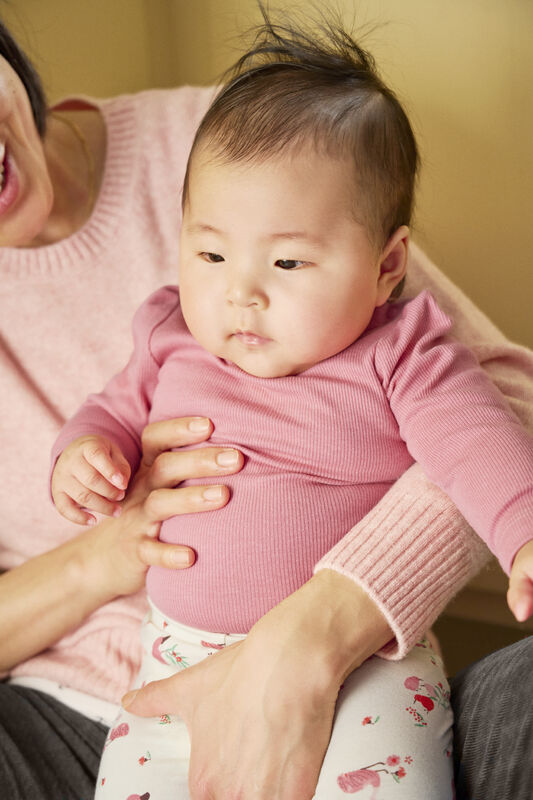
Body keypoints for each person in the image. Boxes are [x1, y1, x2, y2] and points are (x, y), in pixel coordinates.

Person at [0, 10, 531, 800]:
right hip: (163, 665)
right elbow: (107, 410)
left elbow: (480, 429)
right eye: (208, 254)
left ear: (388, 266)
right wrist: (88, 462)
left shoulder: (398, 348)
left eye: (286, 261)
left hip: (361, 665)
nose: (239, 291)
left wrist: (522, 533)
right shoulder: (171, 329)